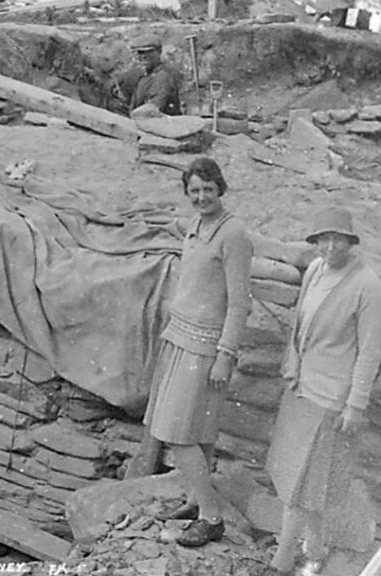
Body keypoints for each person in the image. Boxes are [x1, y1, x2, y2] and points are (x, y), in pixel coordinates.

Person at [260, 207, 381, 576]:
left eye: (337, 239)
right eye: (322, 239)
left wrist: (355, 405)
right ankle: (314, 548)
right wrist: (291, 367)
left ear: (350, 241)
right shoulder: (314, 271)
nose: (329, 246)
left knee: (302, 482)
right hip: (301, 388)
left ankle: (282, 561)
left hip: (331, 396)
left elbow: (371, 351)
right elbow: (300, 328)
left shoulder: (367, 285)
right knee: (301, 476)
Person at [143, 157, 252, 547]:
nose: (202, 197)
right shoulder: (196, 226)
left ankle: (211, 516)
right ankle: (196, 498)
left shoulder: (233, 234)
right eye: (194, 191)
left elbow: (239, 303)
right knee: (199, 431)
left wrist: (226, 353)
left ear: (220, 188)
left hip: (206, 347)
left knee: (179, 434)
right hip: (181, 337)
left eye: (208, 189)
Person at [113, 34, 183, 118]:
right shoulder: (144, 77)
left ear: (159, 52)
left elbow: (151, 109)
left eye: (149, 51)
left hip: (161, 127)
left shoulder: (162, 77)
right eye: (140, 52)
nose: (144, 56)